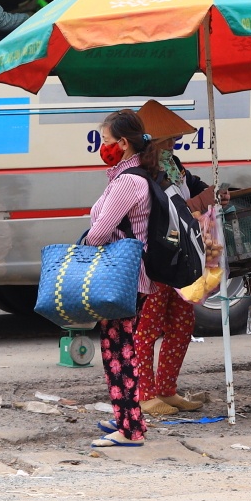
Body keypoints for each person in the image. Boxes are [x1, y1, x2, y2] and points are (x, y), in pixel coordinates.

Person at [131, 99, 220, 417]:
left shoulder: (173, 164)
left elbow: (192, 188)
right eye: (168, 139)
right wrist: (198, 201)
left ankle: (167, 390)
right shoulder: (140, 174)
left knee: (182, 323)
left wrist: (212, 192)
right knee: (148, 327)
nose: (174, 143)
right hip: (154, 259)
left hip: (182, 257)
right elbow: (165, 210)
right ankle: (145, 394)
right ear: (152, 142)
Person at [85, 109, 160, 446]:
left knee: (118, 351)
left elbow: (99, 233)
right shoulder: (133, 175)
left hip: (122, 277)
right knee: (121, 348)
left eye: (107, 141)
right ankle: (127, 419)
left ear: (124, 143)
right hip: (133, 276)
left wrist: (85, 243)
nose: (103, 147)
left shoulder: (128, 182)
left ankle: (130, 430)